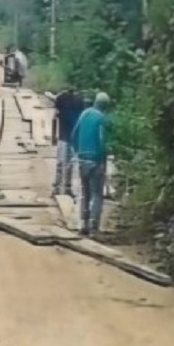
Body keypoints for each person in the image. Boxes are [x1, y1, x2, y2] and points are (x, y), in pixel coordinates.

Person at [69, 91, 110, 237]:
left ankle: (83, 224)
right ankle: (94, 227)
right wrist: (103, 159)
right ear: (105, 106)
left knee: (85, 192)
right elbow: (102, 141)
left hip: (82, 160)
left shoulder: (84, 114)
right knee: (97, 194)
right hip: (95, 161)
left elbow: (74, 135)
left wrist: (77, 152)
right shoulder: (101, 119)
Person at [52, 86, 84, 197]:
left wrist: (53, 136)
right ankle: (67, 187)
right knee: (70, 163)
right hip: (73, 137)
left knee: (61, 163)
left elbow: (54, 118)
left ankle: (57, 186)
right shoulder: (80, 101)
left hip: (63, 136)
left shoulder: (60, 98)